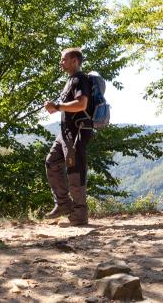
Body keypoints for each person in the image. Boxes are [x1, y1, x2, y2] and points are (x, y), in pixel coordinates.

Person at [43, 48, 94, 227]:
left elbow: (82, 104)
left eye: (64, 59)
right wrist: (57, 107)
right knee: (51, 162)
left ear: (74, 61)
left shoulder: (81, 79)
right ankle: (63, 204)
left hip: (77, 132)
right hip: (65, 133)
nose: (61, 62)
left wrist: (57, 106)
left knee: (75, 171)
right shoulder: (70, 80)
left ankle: (80, 215)